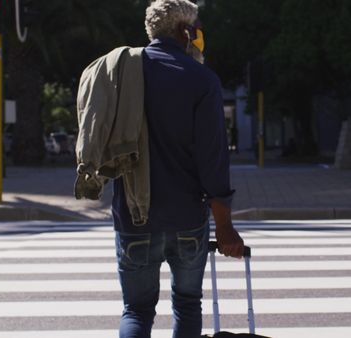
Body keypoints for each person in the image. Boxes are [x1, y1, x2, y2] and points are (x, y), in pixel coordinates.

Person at [111, 1, 245, 337]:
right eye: (197, 29)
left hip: (133, 215)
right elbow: (213, 159)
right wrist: (224, 226)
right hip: (187, 218)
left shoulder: (122, 74)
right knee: (186, 303)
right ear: (185, 31)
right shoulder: (201, 79)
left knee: (137, 310)